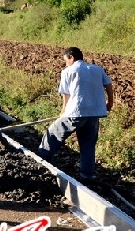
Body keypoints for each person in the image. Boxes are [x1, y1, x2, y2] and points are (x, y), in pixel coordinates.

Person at [37, 47, 114, 182]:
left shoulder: (68, 71)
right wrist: (110, 102)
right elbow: (108, 85)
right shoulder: (97, 69)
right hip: (94, 113)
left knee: (52, 134)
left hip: (76, 112)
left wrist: (63, 111)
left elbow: (66, 94)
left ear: (71, 57)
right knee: (88, 145)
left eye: (66, 60)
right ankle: (87, 175)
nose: (66, 63)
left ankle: (40, 163)